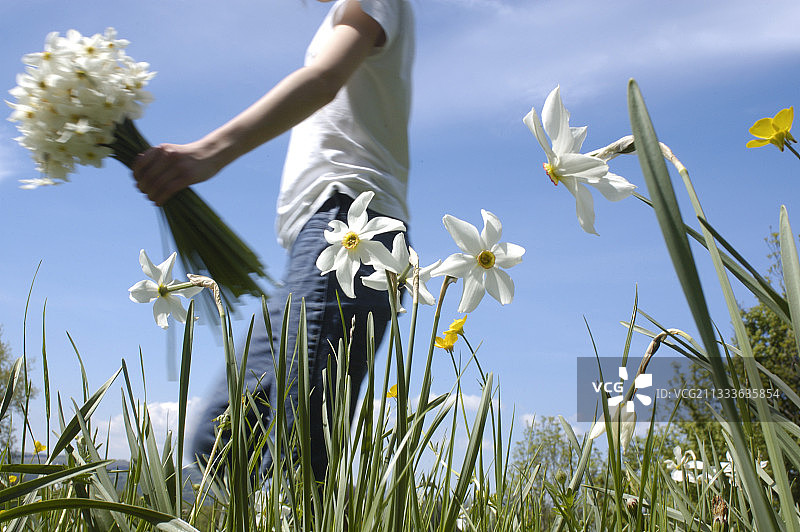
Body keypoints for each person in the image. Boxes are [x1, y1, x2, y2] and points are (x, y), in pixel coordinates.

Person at [133, 0, 414, 484]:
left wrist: (206, 153)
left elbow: (325, 79)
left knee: (296, 454)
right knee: (218, 446)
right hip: (312, 243)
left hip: (352, 229)